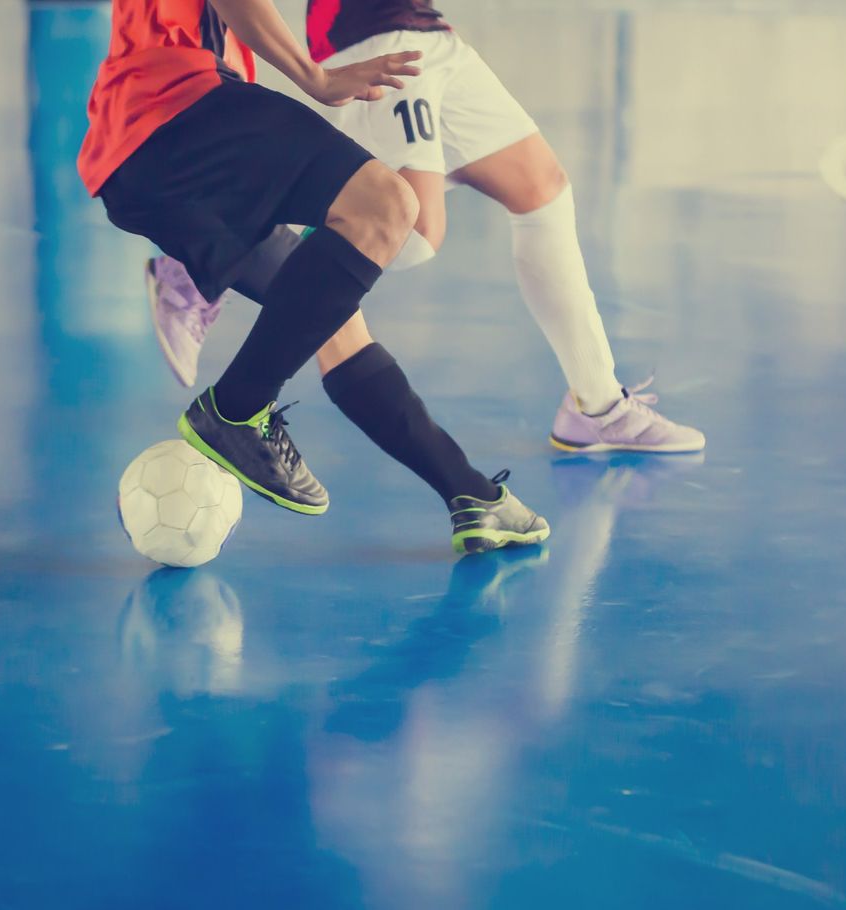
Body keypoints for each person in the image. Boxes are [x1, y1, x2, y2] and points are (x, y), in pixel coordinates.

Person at [81, 0, 548, 554]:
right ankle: (231, 410)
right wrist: (314, 76)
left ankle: (470, 496)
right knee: (387, 206)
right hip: (180, 108)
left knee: (332, 323)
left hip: (139, 161)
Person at [146, 0, 705, 455]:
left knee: (542, 189)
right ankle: (207, 259)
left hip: (430, 32)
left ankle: (597, 405)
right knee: (407, 229)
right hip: (374, 32)